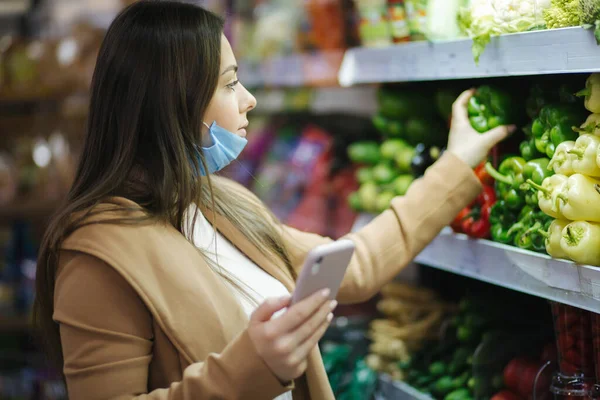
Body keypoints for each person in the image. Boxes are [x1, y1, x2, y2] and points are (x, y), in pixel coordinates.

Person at [33, 1, 514, 399]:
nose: (248, 100)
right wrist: (251, 366)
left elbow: (356, 266)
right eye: (228, 83)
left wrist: (456, 164)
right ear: (172, 103)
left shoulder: (216, 204)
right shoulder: (97, 257)